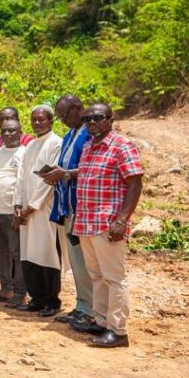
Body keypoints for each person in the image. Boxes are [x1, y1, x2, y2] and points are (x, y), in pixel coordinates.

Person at [71, 103, 143, 348]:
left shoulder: (122, 146)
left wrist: (122, 221)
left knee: (114, 278)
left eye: (98, 117)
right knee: (97, 276)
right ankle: (101, 321)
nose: (91, 122)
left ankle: (118, 330)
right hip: (87, 221)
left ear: (111, 119)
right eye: (87, 118)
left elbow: (135, 184)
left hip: (108, 223)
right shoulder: (90, 145)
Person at [43, 95, 94, 327]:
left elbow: (89, 168)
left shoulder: (89, 133)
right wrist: (56, 173)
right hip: (68, 207)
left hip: (83, 206)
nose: (63, 121)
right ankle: (82, 305)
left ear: (77, 108)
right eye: (60, 117)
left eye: (65, 115)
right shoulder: (69, 135)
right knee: (76, 262)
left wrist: (64, 173)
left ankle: (92, 310)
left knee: (88, 262)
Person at [14, 106, 64, 317]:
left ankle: (52, 300)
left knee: (47, 254)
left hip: (44, 208)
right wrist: (18, 205)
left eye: (41, 120)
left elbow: (50, 179)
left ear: (51, 121)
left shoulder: (56, 143)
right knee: (29, 254)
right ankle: (36, 297)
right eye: (34, 120)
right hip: (26, 208)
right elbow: (21, 176)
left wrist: (32, 207)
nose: (37, 123)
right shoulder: (30, 145)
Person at [0, 119, 27, 307]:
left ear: (20, 132)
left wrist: (20, 209)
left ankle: (20, 293)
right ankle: (6, 289)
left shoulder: (25, 153)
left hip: (13, 213)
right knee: (0, 251)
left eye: (12, 131)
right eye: (4, 131)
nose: (8, 134)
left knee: (17, 253)